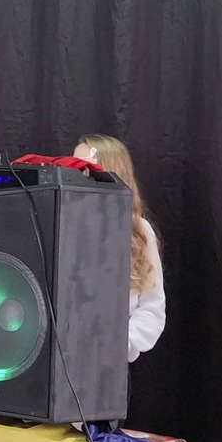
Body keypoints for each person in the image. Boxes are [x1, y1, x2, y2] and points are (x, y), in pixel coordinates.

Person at [72, 134, 165, 360]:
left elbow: (152, 307)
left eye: (83, 168)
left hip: (108, 365)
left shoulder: (138, 231)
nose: (75, 175)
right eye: (71, 167)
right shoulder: (63, 223)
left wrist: (121, 343)